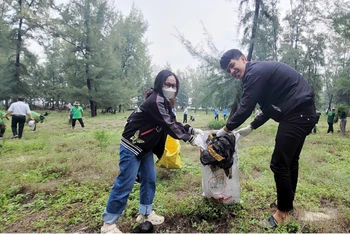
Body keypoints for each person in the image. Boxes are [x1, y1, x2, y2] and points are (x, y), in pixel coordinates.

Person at [216, 49, 317, 228]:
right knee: (290, 161)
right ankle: (287, 203)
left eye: (232, 65)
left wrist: (225, 129)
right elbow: (269, 108)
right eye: (228, 71)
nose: (232, 72)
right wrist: (251, 127)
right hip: (301, 112)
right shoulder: (258, 74)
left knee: (279, 163)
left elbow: (246, 106)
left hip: (297, 113)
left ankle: (283, 213)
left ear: (243, 59)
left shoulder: (254, 73)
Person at [101, 70, 203, 233]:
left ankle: (145, 213)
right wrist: (189, 138)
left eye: (174, 85)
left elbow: (172, 121)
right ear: (159, 84)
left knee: (149, 180)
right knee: (125, 182)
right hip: (132, 145)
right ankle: (108, 224)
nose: (171, 87)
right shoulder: (155, 100)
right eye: (167, 84)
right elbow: (168, 125)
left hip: (145, 148)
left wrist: (191, 129)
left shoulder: (165, 102)